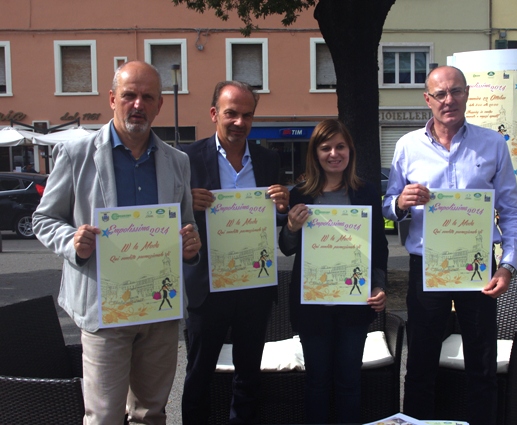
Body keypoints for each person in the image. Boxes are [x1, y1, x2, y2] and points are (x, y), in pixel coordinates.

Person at [32, 61, 201, 424]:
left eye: (147, 97)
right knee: (104, 415)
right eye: (129, 95)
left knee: (150, 413)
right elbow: (43, 219)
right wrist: (72, 241)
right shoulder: (77, 154)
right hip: (104, 311)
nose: (138, 104)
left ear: (159, 105)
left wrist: (190, 246)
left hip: (159, 310)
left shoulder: (177, 161)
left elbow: (186, 223)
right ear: (112, 99)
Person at [382, 66, 517, 425]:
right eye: (441, 94)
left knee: (482, 362)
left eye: (456, 91)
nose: (449, 100)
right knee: (420, 363)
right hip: (426, 267)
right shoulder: (407, 146)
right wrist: (400, 202)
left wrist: (507, 265)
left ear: (466, 94)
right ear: (427, 99)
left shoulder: (493, 144)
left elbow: (511, 212)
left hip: (477, 267)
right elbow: (387, 205)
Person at [181, 80, 290, 424]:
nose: (239, 122)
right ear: (215, 114)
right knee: (199, 373)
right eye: (231, 113)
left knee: (248, 375)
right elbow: (167, 215)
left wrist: (282, 206)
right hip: (207, 286)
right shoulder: (187, 158)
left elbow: (272, 218)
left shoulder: (267, 159)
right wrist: (187, 204)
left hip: (253, 286)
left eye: (247, 115)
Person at [279, 119, 388, 424]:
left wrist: (379, 286)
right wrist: (291, 227)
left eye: (340, 146)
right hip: (312, 307)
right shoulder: (301, 194)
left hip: (354, 305)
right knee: (317, 382)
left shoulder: (366, 192)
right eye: (325, 148)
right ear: (315, 153)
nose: (333, 154)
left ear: (350, 150)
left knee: (349, 382)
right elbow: (287, 247)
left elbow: (379, 246)